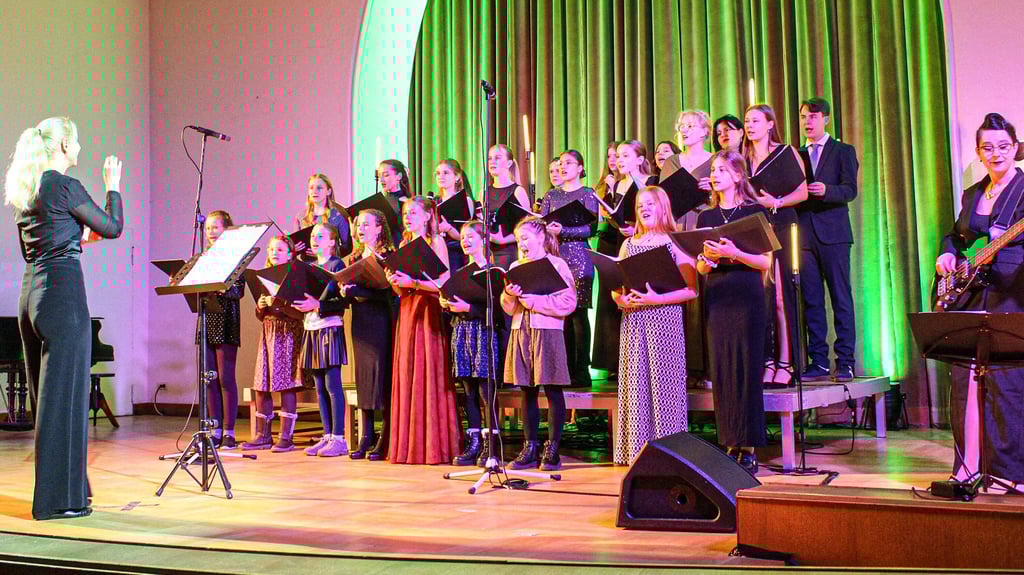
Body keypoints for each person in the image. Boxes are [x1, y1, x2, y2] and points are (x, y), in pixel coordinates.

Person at [6, 117, 123, 520]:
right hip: (62, 294)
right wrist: (113, 186)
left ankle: (72, 491)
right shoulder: (64, 184)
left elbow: (51, 237)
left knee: (50, 403)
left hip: (32, 296)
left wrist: (77, 237)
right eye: (77, 142)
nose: (80, 149)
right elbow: (113, 227)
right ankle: (60, 502)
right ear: (64, 145)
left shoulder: (30, 188)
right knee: (67, 402)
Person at [937, 112, 1024, 486]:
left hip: (1012, 292)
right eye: (988, 147)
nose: (996, 153)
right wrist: (947, 254)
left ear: (1016, 148)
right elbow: (956, 236)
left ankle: (1008, 472)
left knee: (1007, 383)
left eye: (1003, 146)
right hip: (970, 293)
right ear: (978, 152)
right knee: (965, 379)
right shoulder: (973, 193)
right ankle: (970, 465)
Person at [696, 150, 774, 475]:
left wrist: (735, 252)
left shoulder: (755, 212)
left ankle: (749, 446)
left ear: (738, 175)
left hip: (747, 296)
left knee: (746, 369)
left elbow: (766, 262)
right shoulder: (706, 217)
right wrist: (709, 261)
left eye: (722, 170)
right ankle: (729, 442)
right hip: (718, 296)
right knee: (723, 370)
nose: (715, 175)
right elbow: (699, 267)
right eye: (713, 170)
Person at [612, 186, 696, 465]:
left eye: (650, 204)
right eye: (639, 205)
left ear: (663, 207)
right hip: (634, 322)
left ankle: (671, 454)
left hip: (664, 321)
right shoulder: (628, 244)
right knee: (636, 385)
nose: (644, 209)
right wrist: (621, 299)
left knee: (664, 386)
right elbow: (618, 286)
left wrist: (657, 298)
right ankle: (637, 453)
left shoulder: (674, 241)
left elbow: (691, 290)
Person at [387, 196, 461, 464]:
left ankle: (431, 446)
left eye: (414, 212)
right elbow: (400, 289)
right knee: (408, 373)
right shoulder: (405, 243)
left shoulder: (436, 242)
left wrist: (414, 282)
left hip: (427, 309)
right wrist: (395, 281)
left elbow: (444, 282)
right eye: (406, 213)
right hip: (407, 310)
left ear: (429, 215)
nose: (408, 217)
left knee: (427, 373)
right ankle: (408, 446)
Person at [501, 217, 577, 471]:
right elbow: (509, 308)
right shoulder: (515, 265)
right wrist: (509, 295)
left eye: (526, 238)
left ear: (541, 237)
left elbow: (568, 302)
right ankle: (529, 446)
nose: (521, 243)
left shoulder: (557, 264)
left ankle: (553, 448)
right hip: (521, 330)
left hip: (547, 331)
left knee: (553, 390)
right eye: (519, 239)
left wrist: (535, 302)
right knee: (527, 391)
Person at [743, 104, 808, 387]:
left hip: (781, 225)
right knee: (760, 299)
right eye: (747, 121)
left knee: (781, 298)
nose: (750, 125)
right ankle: (766, 361)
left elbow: (803, 192)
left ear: (770, 124)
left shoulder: (785, 152)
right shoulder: (741, 159)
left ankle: (786, 362)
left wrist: (776, 202)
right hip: (754, 229)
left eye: (756, 120)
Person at [796, 98, 859, 383]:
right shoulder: (796, 154)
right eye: (804, 117)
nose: (808, 121)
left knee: (840, 298)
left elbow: (850, 190)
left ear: (827, 119)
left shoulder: (843, 150)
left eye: (813, 116)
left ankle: (845, 361)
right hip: (805, 235)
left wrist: (827, 190)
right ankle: (818, 361)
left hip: (834, 235)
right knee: (811, 300)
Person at [439, 221, 502, 466]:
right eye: (462, 237)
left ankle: (491, 446)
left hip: (484, 333)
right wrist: (448, 305)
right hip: (463, 333)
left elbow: (499, 311)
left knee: (487, 392)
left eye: (470, 237)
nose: (464, 241)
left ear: (483, 239)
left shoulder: (493, 271)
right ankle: (474, 441)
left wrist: (470, 308)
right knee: (469, 392)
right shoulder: (460, 273)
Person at [661, 110, 715, 384]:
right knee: (678, 295)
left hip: (703, 225)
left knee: (703, 296)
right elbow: (662, 199)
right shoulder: (671, 162)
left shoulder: (715, 160)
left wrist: (713, 187)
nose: (685, 130)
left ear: (705, 131)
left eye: (691, 126)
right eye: (682, 126)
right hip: (677, 229)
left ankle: (707, 368)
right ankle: (679, 368)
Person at [539, 150, 599, 387]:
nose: (563, 167)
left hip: (580, 256)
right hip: (556, 256)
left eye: (568, 163)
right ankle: (561, 369)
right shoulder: (551, 195)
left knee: (579, 314)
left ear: (581, 167)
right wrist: (550, 232)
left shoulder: (588, 194)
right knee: (560, 313)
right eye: (560, 163)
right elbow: (541, 225)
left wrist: (561, 231)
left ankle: (582, 370)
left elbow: (591, 229)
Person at [242, 235, 306, 452]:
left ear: (289, 253)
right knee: (262, 384)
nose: (274, 253)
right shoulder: (262, 278)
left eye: (279, 249)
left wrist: (278, 302)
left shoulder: (294, 276)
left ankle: (286, 437)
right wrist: (261, 306)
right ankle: (263, 435)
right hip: (268, 332)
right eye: (271, 249)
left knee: (286, 384)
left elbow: (298, 313)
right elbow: (261, 316)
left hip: (287, 332)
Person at [342, 209, 396, 461]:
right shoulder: (353, 257)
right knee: (363, 378)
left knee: (381, 377)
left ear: (379, 228)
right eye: (358, 224)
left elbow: (389, 294)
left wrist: (361, 289)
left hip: (381, 320)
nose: (360, 228)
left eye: (366, 224)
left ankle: (384, 436)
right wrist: (346, 291)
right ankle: (366, 436)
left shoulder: (388, 256)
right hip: (360, 322)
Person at [293, 223, 349, 457]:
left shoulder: (336, 265)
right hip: (311, 328)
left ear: (332, 241)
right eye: (313, 236)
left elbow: (343, 303)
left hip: (330, 327)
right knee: (318, 386)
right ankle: (326, 436)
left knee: (332, 384)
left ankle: (339, 438)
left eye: (320, 236)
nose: (314, 240)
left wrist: (319, 305)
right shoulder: (308, 266)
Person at [200, 210, 246, 449]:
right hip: (208, 320)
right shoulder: (204, 257)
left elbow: (238, 291)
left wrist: (220, 288)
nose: (210, 233)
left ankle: (229, 431)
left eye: (215, 228)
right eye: (207, 228)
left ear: (226, 230)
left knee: (226, 378)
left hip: (227, 319)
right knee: (209, 378)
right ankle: (214, 429)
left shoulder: (236, 257)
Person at [592, 141, 623, 377]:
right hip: (606, 240)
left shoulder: (628, 184)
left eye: (617, 156)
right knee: (607, 299)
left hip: (623, 238)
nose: (613, 161)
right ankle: (609, 361)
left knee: (623, 296)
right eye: (609, 156)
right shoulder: (601, 186)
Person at [485, 144, 532, 270]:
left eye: (497, 158)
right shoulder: (484, 192)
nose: (492, 162)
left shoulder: (517, 191)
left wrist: (502, 240)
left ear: (509, 163)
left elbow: (528, 229)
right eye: (489, 158)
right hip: (488, 253)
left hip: (510, 254)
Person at [295, 173, 352, 259]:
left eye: (319, 188)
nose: (314, 191)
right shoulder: (301, 216)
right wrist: (294, 249)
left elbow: (347, 248)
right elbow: (297, 249)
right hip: (307, 265)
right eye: (311, 188)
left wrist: (324, 252)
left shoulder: (337, 216)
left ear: (328, 191)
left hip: (329, 265)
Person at [435, 158, 475, 273]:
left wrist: (448, 228)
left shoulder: (465, 201)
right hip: (438, 252)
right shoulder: (435, 201)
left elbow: (465, 236)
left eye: (446, 173)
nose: (441, 176)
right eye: (438, 173)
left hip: (456, 254)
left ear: (457, 177)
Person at [378, 159, 414, 247]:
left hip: (401, 247)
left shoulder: (408, 202)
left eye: (386, 175)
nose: (381, 179)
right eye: (379, 176)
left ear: (399, 176)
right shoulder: (379, 201)